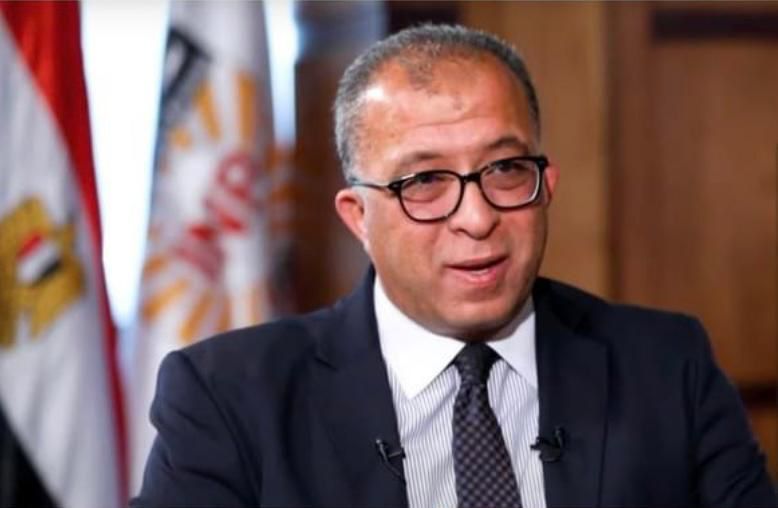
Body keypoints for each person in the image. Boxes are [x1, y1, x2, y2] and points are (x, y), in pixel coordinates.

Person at [132, 24, 776, 507]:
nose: (476, 217)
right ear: (358, 217)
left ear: (546, 185)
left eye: (505, 169)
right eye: (424, 181)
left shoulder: (667, 367)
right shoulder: (228, 398)